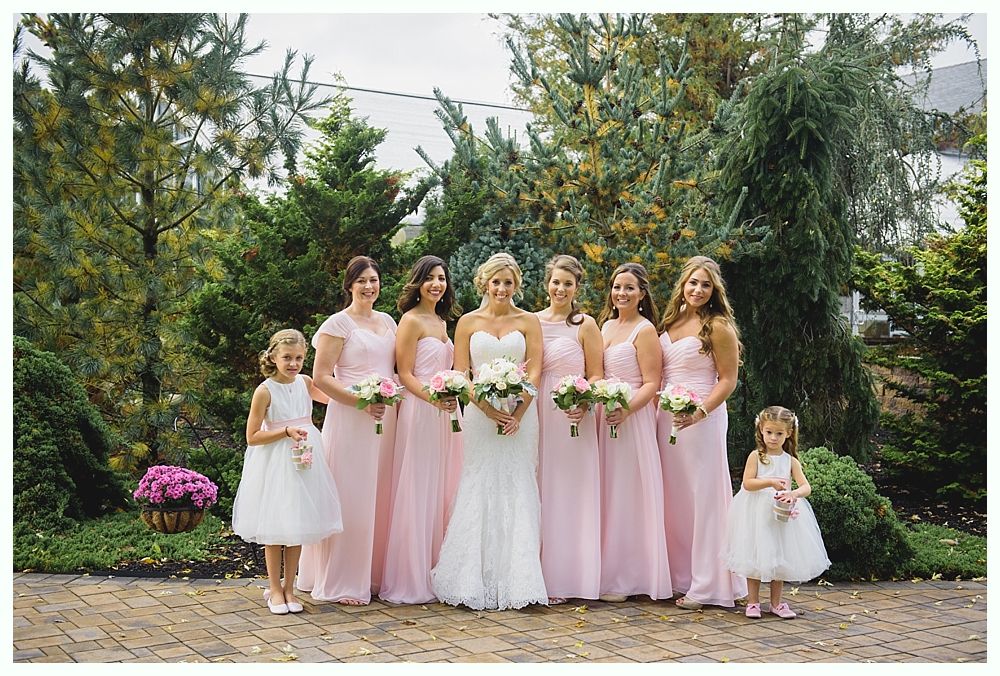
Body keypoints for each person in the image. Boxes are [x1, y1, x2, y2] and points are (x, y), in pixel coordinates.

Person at [430, 252, 548, 610]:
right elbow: (462, 373)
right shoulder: (466, 322)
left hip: (520, 416)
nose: (501, 288)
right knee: (478, 483)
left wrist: (517, 413)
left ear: (517, 286)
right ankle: (470, 577)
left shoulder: (528, 322)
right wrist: (487, 409)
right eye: (496, 282)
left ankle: (519, 579)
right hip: (481, 418)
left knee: (517, 484)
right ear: (484, 283)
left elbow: (536, 371)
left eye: (508, 283)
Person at [297, 256, 398, 606]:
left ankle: (372, 574)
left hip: (385, 418)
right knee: (351, 497)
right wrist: (360, 401)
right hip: (351, 417)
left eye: (374, 279)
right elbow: (322, 377)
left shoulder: (388, 322)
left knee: (380, 495)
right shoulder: (336, 325)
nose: (369, 287)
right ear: (349, 286)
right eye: (362, 281)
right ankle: (342, 579)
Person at [656, 255, 748, 610]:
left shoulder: (718, 326)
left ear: (714, 291)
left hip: (703, 417)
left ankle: (709, 584)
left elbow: (728, 379)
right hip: (668, 417)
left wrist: (700, 411)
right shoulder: (670, 321)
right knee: (676, 498)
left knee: (705, 498)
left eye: (705, 285)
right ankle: (682, 576)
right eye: (693, 282)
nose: (697, 289)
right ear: (683, 284)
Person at [232, 329, 344, 615]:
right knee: (276, 525)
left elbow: (334, 399)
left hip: (305, 458)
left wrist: (365, 392)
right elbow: (252, 436)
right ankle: (275, 589)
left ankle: (290, 587)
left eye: (298, 358)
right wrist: (284, 431)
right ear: (273, 357)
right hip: (276, 461)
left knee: (297, 524)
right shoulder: (265, 390)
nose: (293, 363)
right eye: (287, 358)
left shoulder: (305, 383)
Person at [379, 255, 464, 604]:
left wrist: (452, 393)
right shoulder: (411, 320)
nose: (436, 284)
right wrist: (433, 397)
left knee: (445, 486)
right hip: (420, 409)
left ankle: (438, 568)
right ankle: (410, 576)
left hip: (448, 412)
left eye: (441, 278)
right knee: (419, 487)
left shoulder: (443, 322)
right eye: (429, 278)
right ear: (418, 282)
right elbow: (405, 373)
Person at [596, 262, 671, 602]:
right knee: (606, 492)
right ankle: (605, 569)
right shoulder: (606, 326)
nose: (621, 293)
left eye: (629, 288)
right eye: (617, 287)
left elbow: (653, 383)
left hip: (632, 417)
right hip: (603, 415)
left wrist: (625, 409)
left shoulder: (645, 331)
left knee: (627, 493)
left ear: (642, 294)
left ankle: (628, 577)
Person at [534, 254, 603, 604]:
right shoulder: (531, 321)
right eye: (556, 282)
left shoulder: (585, 324)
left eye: (567, 283)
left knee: (567, 488)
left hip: (571, 413)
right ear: (547, 283)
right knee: (537, 486)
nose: (560, 289)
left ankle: (569, 575)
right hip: (535, 411)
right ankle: (536, 573)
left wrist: (584, 400)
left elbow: (596, 373)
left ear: (577, 288)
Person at [722, 406, 831, 619]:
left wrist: (794, 494)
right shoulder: (756, 456)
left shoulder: (790, 461)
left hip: (780, 514)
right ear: (761, 430)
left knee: (778, 555)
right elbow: (747, 484)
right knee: (754, 554)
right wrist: (769, 481)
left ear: (788, 433)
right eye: (769, 432)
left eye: (779, 433)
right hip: (756, 513)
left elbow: (805, 487)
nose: (773, 437)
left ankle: (776, 603)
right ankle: (753, 602)